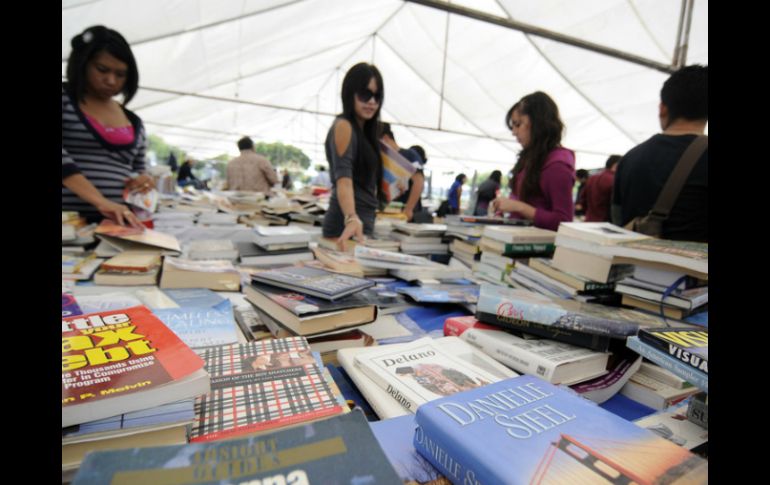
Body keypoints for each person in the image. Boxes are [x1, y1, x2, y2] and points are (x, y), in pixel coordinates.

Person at [62, 25, 153, 228]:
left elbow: (138, 169)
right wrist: (101, 202)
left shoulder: (134, 121)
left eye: (120, 74)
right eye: (102, 70)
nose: (111, 80)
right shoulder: (65, 101)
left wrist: (143, 180)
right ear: (82, 64)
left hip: (115, 225)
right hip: (68, 225)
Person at [611, 65, 708, 242]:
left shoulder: (630, 158)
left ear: (663, 108)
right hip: (694, 268)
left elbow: (617, 222)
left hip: (632, 264)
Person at [321, 62, 385, 250]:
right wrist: (351, 217)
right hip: (345, 225)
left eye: (377, 96)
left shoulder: (366, 131)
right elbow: (344, 180)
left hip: (361, 221)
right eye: (365, 95)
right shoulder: (344, 126)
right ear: (350, 94)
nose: (372, 102)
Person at [490, 91, 575, 231]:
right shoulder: (530, 159)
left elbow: (563, 221)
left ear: (538, 123)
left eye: (518, 124)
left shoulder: (557, 165)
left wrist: (519, 207)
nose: (514, 132)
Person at [380, 123, 425, 222]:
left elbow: (419, 182)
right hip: (388, 211)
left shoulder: (409, 155)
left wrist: (409, 209)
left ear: (386, 138)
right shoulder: (382, 159)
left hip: (406, 212)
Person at [581, 155, 621, 222]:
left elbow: (583, 200)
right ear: (616, 165)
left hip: (589, 220)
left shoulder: (592, 178)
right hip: (605, 224)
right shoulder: (614, 180)